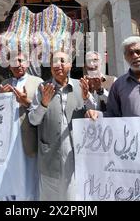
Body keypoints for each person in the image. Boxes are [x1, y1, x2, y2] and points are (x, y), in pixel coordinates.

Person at [28, 51, 94, 200]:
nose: (58, 65)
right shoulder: (42, 88)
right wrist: (43, 104)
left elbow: (93, 112)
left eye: (62, 61)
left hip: (76, 157)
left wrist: (86, 100)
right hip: (49, 158)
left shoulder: (81, 85)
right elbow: (33, 120)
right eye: (55, 62)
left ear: (70, 65)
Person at [0, 51, 43, 201]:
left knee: (27, 171)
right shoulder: (4, 84)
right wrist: (0, 96)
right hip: (7, 135)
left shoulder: (37, 82)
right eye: (14, 61)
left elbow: (43, 108)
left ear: (27, 63)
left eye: (21, 61)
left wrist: (26, 102)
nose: (18, 64)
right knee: (7, 170)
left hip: (27, 133)